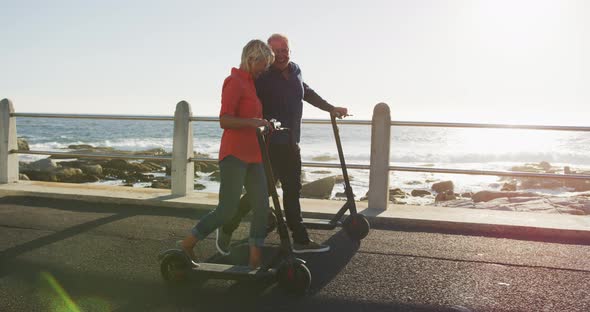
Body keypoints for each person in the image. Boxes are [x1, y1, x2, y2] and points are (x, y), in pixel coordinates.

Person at [217, 33, 349, 254]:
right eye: (276, 51)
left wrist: (330, 108)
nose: (281, 54)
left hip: (291, 142)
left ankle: (299, 240)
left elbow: (306, 91)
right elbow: (244, 96)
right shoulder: (263, 75)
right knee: (264, 191)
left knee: (292, 190)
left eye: (284, 49)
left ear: (290, 50)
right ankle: (228, 226)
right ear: (268, 53)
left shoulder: (296, 70)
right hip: (269, 143)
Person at [179, 39, 274, 268]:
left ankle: (254, 259)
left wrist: (265, 123)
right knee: (227, 210)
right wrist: (254, 122)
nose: (265, 68)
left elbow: (252, 119)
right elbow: (224, 120)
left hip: (255, 154)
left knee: (262, 207)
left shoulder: (251, 83)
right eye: (264, 63)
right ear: (252, 59)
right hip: (234, 155)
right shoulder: (234, 82)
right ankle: (187, 243)